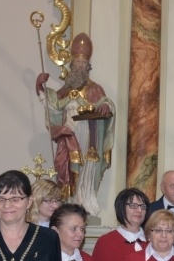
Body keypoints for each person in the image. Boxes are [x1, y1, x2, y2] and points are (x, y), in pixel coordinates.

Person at [36, 32, 115, 214]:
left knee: (87, 166)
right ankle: (68, 201)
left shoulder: (95, 88)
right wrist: (40, 86)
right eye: (77, 63)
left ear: (88, 67)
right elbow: (53, 107)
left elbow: (105, 103)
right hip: (68, 134)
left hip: (88, 135)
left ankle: (83, 201)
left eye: (83, 64)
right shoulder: (65, 89)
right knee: (65, 165)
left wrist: (104, 106)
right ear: (72, 65)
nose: (80, 66)